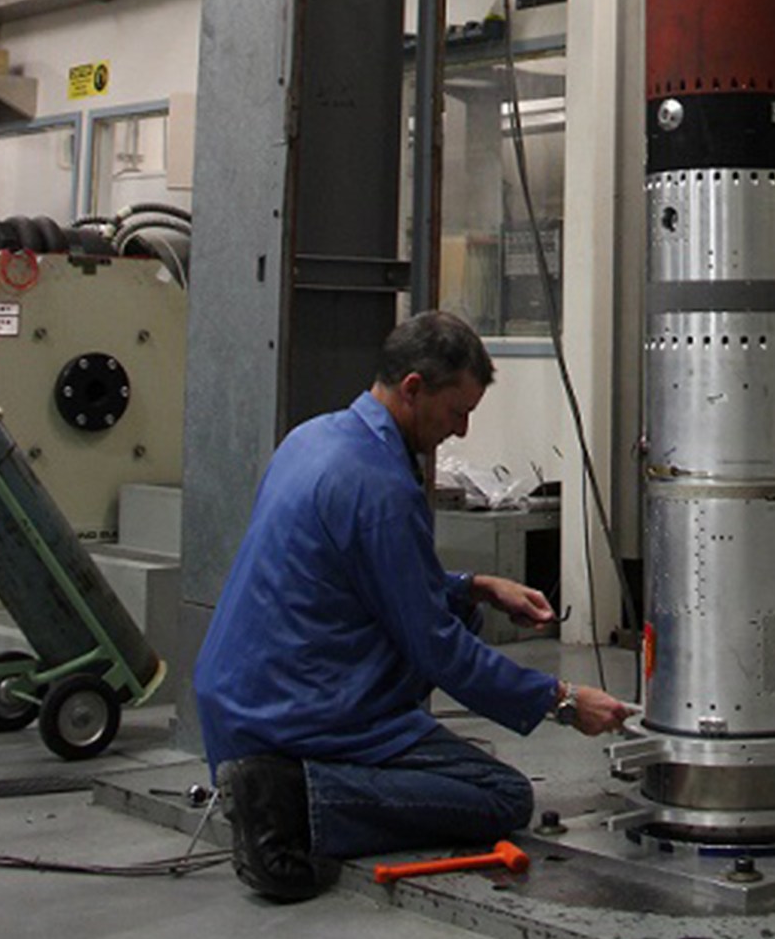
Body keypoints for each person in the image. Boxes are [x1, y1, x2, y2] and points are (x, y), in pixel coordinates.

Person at [194, 310, 630, 901]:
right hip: (292, 713)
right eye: (458, 413)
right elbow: (438, 649)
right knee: (502, 796)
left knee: (463, 624)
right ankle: (291, 799)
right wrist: (562, 701)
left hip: (238, 699)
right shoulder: (380, 486)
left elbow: (357, 575)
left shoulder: (315, 437)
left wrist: (474, 585)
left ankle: (293, 781)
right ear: (414, 388)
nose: (463, 431)